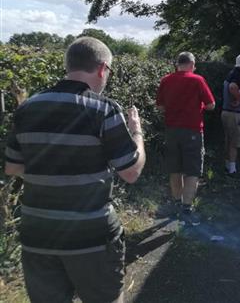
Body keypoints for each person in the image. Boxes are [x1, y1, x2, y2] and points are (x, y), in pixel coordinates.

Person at [3, 37, 146, 303]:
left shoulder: (28, 107)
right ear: (103, 68)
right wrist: (137, 131)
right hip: (91, 236)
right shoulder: (103, 109)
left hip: (37, 234)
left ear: (69, 65)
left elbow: (13, 167)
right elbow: (130, 172)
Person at [156, 52, 215, 225]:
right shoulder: (197, 80)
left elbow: (160, 106)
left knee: (175, 169)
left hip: (171, 130)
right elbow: (211, 105)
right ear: (192, 64)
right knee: (192, 170)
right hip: (192, 131)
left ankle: (176, 205)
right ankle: (187, 209)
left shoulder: (166, 80)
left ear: (178, 64)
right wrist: (199, 105)